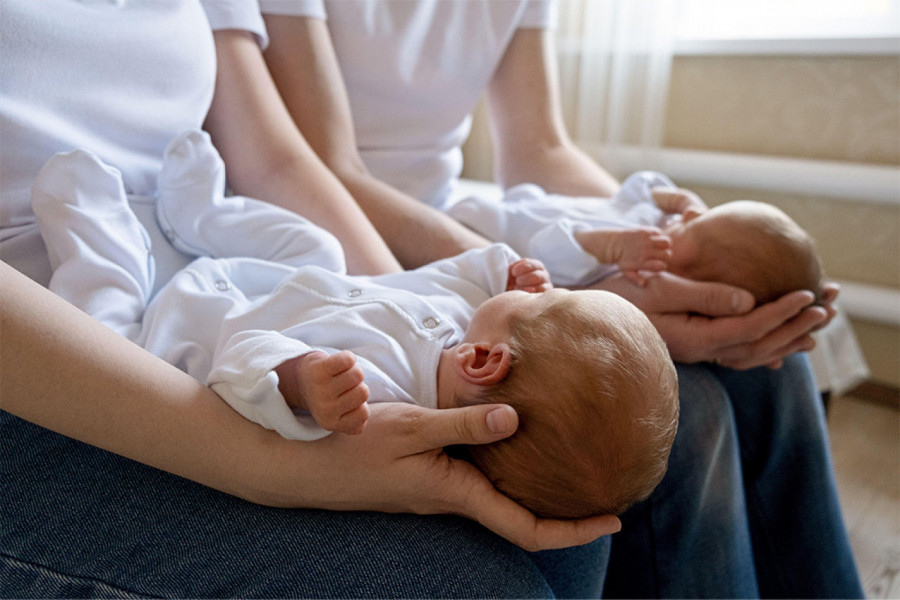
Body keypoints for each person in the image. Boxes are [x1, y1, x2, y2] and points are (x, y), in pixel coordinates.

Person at [0, 2, 622, 597]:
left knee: (568, 520)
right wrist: (268, 463)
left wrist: (389, 296)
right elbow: (256, 365)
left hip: (210, 269)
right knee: (467, 585)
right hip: (61, 354)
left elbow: (275, 162)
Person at [257, 0, 864, 596]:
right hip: (344, 224)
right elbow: (328, 166)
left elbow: (540, 149)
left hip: (459, 227)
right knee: (691, 409)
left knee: (774, 371)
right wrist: (581, 295)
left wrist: (651, 240)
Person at [31, 129, 679, 521]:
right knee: (320, 247)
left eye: (547, 302)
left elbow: (240, 365)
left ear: (486, 362)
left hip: (180, 333)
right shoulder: (465, 326)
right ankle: (201, 213)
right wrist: (514, 281)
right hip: (261, 279)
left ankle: (99, 236)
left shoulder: (373, 394)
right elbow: (464, 273)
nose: (540, 288)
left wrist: (301, 382)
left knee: (103, 318)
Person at [448, 170, 826, 304]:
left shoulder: (631, 269)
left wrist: (608, 248)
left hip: (491, 227)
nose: (688, 214)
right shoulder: (659, 225)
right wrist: (672, 196)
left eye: (693, 226)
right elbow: (633, 190)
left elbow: (548, 252)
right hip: (527, 201)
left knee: (471, 222)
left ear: (685, 276)